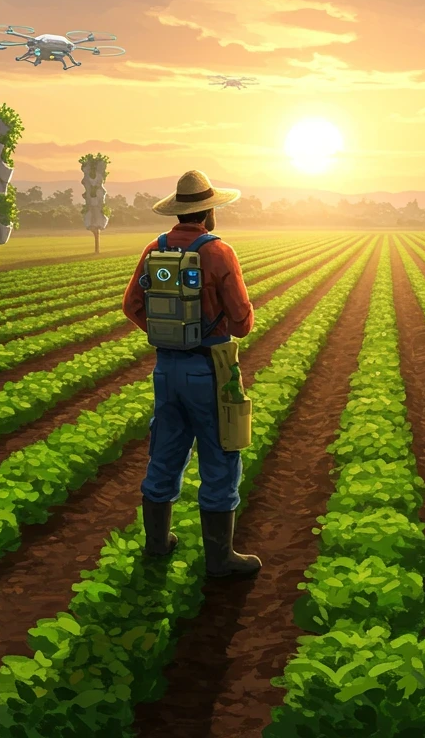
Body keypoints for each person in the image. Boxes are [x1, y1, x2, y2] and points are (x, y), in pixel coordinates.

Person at [121, 169, 261, 578]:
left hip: (166, 367)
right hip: (210, 369)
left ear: (180, 211)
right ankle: (220, 558)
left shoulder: (155, 248)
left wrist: (166, 333)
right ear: (209, 210)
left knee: (165, 452)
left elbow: (131, 305)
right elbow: (241, 324)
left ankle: (157, 543)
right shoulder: (218, 253)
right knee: (220, 456)